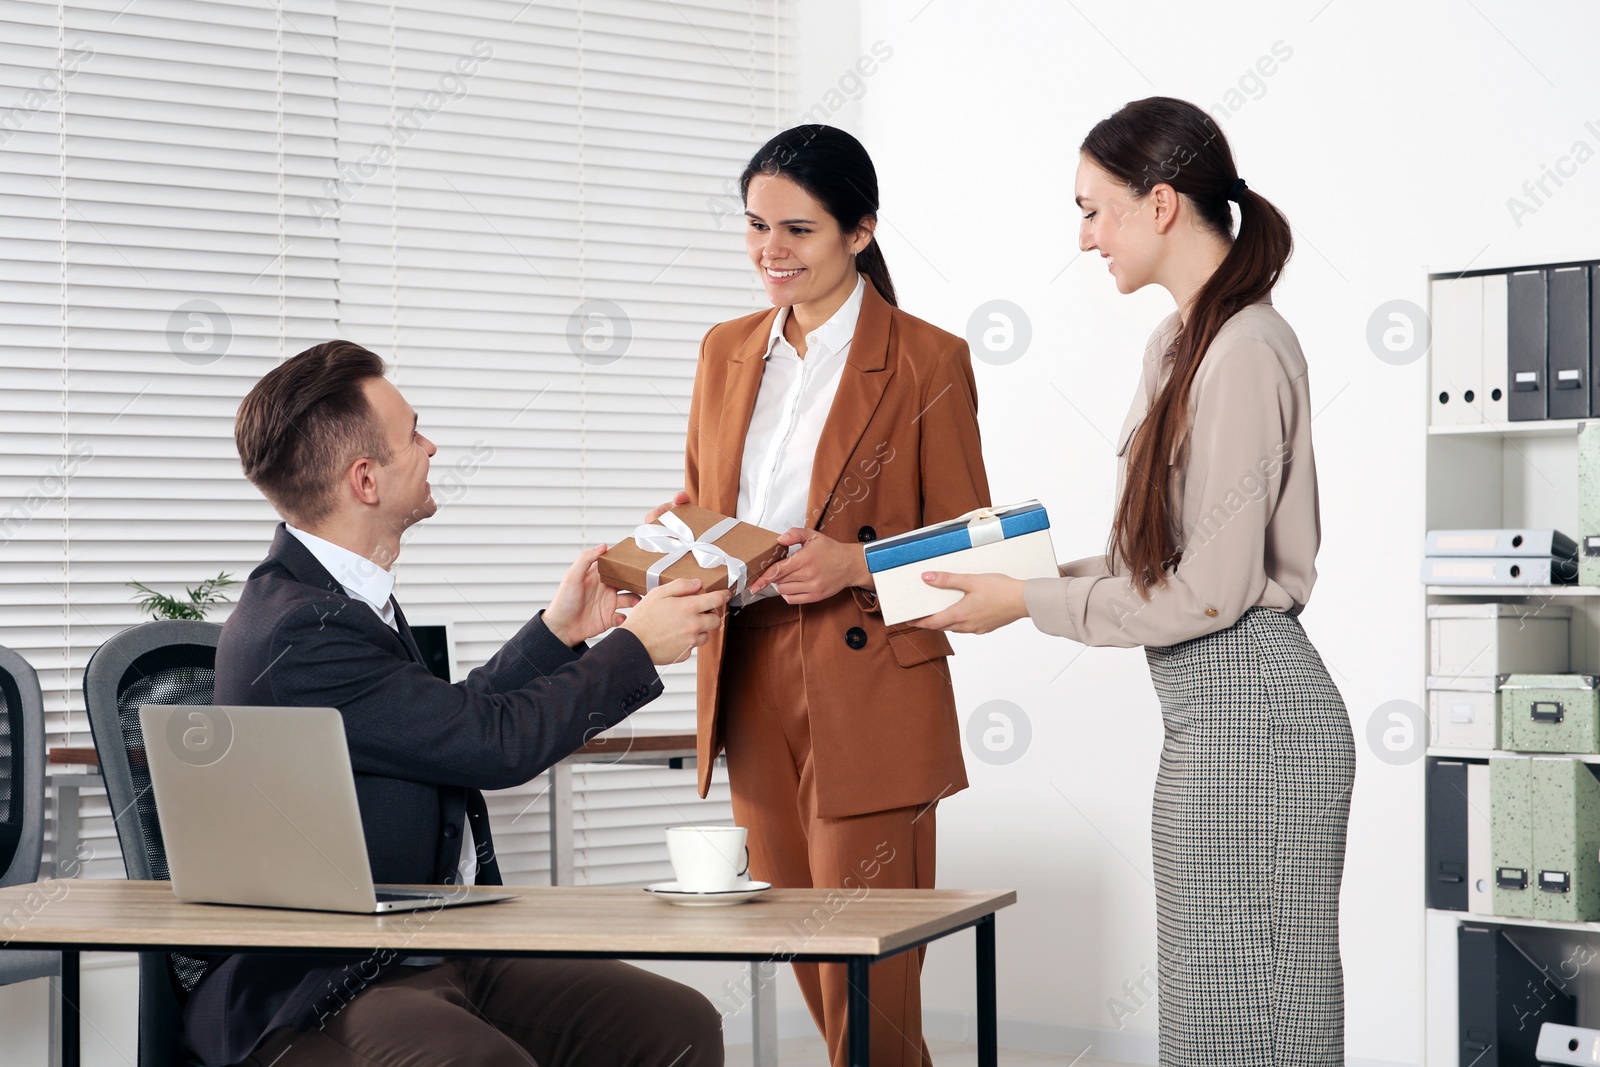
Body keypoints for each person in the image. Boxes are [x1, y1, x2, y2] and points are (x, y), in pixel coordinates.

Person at [912, 97, 1355, 1067]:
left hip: (1259, 720)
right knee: (1208, 1012)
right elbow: (1159, 560)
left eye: (1092, 209)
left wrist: (1027, 602)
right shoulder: (1178, 344)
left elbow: (1206, 593)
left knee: (1254, 1016)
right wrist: (1018, 576)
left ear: (1159, 204)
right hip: (1210, 717)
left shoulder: (1242, 349)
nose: (1082, 238)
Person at [185, 339, 731, 1067]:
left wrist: (561, 629)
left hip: (430, 941)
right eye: (413, 432)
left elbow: (447, 720)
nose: (431, 445)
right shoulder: (299, 627)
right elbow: (490, 743)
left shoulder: (337, 593)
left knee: (678, 1022)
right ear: (366, 480)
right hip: (335, 973)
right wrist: (636, 646)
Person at [647, 124, 990, 1067]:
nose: (771, 251)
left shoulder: (928, 358)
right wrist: (683, 534)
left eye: (798, 229)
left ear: (861, 231)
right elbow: (708, 500)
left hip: (868, 670)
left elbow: (972, 546)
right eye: (756, 226)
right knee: (803, 935)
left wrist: (855, 561)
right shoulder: (723, 349)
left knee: (869, 983)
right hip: (748, 665)